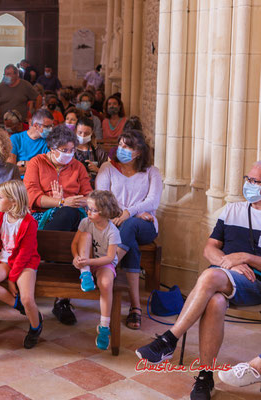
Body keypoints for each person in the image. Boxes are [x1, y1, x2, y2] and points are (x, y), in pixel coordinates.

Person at [135, 164, 261, 400]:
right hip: (223, 278)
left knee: (211, 276)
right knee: (214, 300)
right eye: (249, 179)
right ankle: (205, 378)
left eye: (256, 182)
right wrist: (230, 262)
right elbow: (209, 249)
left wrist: (247, 257)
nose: (250, 185)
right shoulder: (232, 210)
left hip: (255, 284)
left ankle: (169, 339)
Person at [24, 124, 92, 326]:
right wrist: (60, 202)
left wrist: (77, 201)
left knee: (72, 217)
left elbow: (88, 195)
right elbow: (31, 197)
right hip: (42, 217)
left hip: (73, 215)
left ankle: (60, 294)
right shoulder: (36, 163)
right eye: (64, 151)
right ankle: (62, 296)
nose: (69, 155)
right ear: (51, 149)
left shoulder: (78, 167)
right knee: (67, 217)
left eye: (72, 150)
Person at [96, 129, 162, 330]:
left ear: (139, 151)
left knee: (131, 225)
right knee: (130, 238)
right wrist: (130, 212)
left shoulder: (151, 172)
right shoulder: (108, 168)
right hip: (115, 223)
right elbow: (101, 198)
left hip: (146, 225)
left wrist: (129, 212)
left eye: (128, 147)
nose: (122, 149)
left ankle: (109, 262)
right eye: (121, 145)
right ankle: (135, 307)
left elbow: (153, 201)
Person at [0, 180, 42, 348]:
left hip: (25, 263)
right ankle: (17, 305)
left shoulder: (29, 223)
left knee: (28, 298)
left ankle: (35, 327)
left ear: (13, 201)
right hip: (4, 260)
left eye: (0, 197)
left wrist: (12, 278)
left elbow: (24, 254)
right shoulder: (0, 216)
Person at [71, 190, 122, 350]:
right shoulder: (86, 222)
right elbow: (74, 244)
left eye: (93, 210)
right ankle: (84, 274)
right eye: (88, 208)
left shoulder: (113, 231)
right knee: (85, 236)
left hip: (103, 264)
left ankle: (104, 327)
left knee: (106, 284)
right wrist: (76, 258)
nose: (88, 212)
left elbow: (109, 258)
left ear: (104, 212)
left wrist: (89, 261)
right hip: (86, 262)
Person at [9, 109, 53, 177]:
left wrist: (24, 163)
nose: (50, 129)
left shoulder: (49, 141)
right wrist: (37, 168)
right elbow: (11, 170)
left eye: (51, 126)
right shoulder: (15, 138)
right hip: (19, 183)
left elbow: (48, 169)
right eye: (47, 126)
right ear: (35, 125)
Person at [74, 117, 108, 186]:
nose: (82, 136)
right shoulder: (69, 151)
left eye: (86, 133)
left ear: (92, 133)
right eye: (80, 133)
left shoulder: (99, 152)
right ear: (75, 131)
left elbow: (108, 174)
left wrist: (97, 170)